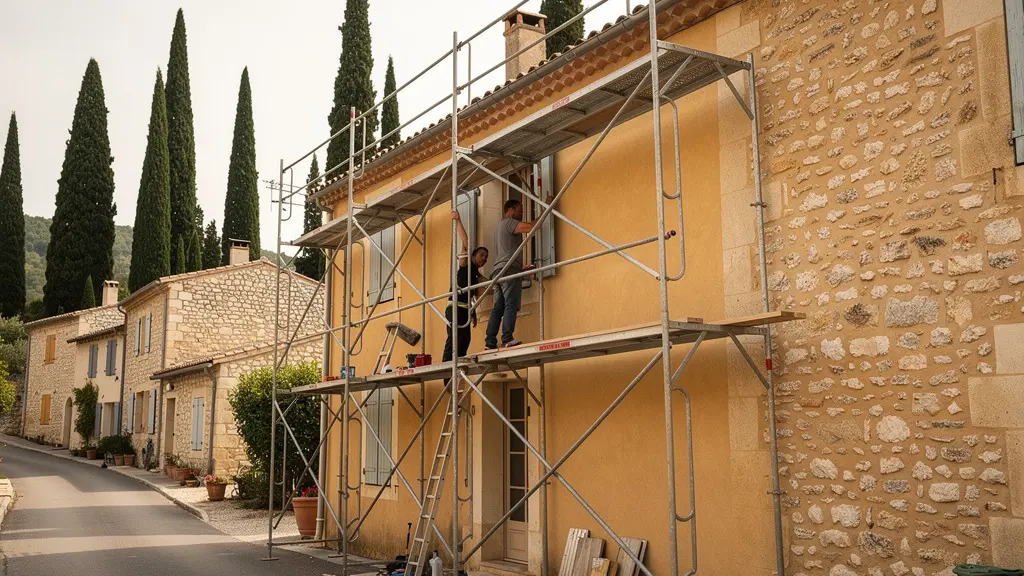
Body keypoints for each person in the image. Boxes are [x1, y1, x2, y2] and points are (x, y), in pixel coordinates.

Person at [484, 196, 550, 350]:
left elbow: (506, 252)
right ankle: (507, 338)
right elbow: (533, 227)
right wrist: (547, 206)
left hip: (498, 271)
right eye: (520, 211)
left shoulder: (498, 226)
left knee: (498, 306)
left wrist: (520, 269)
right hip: (508, 270)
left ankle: (490, 341)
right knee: (510, 305)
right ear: (511, 210)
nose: (521, 214)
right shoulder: (509, 222)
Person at [442, 211, 489, 362]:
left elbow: (488, 286)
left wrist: (473, 313)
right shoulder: (465, 265)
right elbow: (466, 243)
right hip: (455, 308)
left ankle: (456, 369)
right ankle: (447, 370)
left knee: (465, 341)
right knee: (455, 340)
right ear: (473, 255)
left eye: (486, 257)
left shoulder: (476, 276)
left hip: (464, 310)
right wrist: (458, 220)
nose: (484, 259)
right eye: (482, 255)